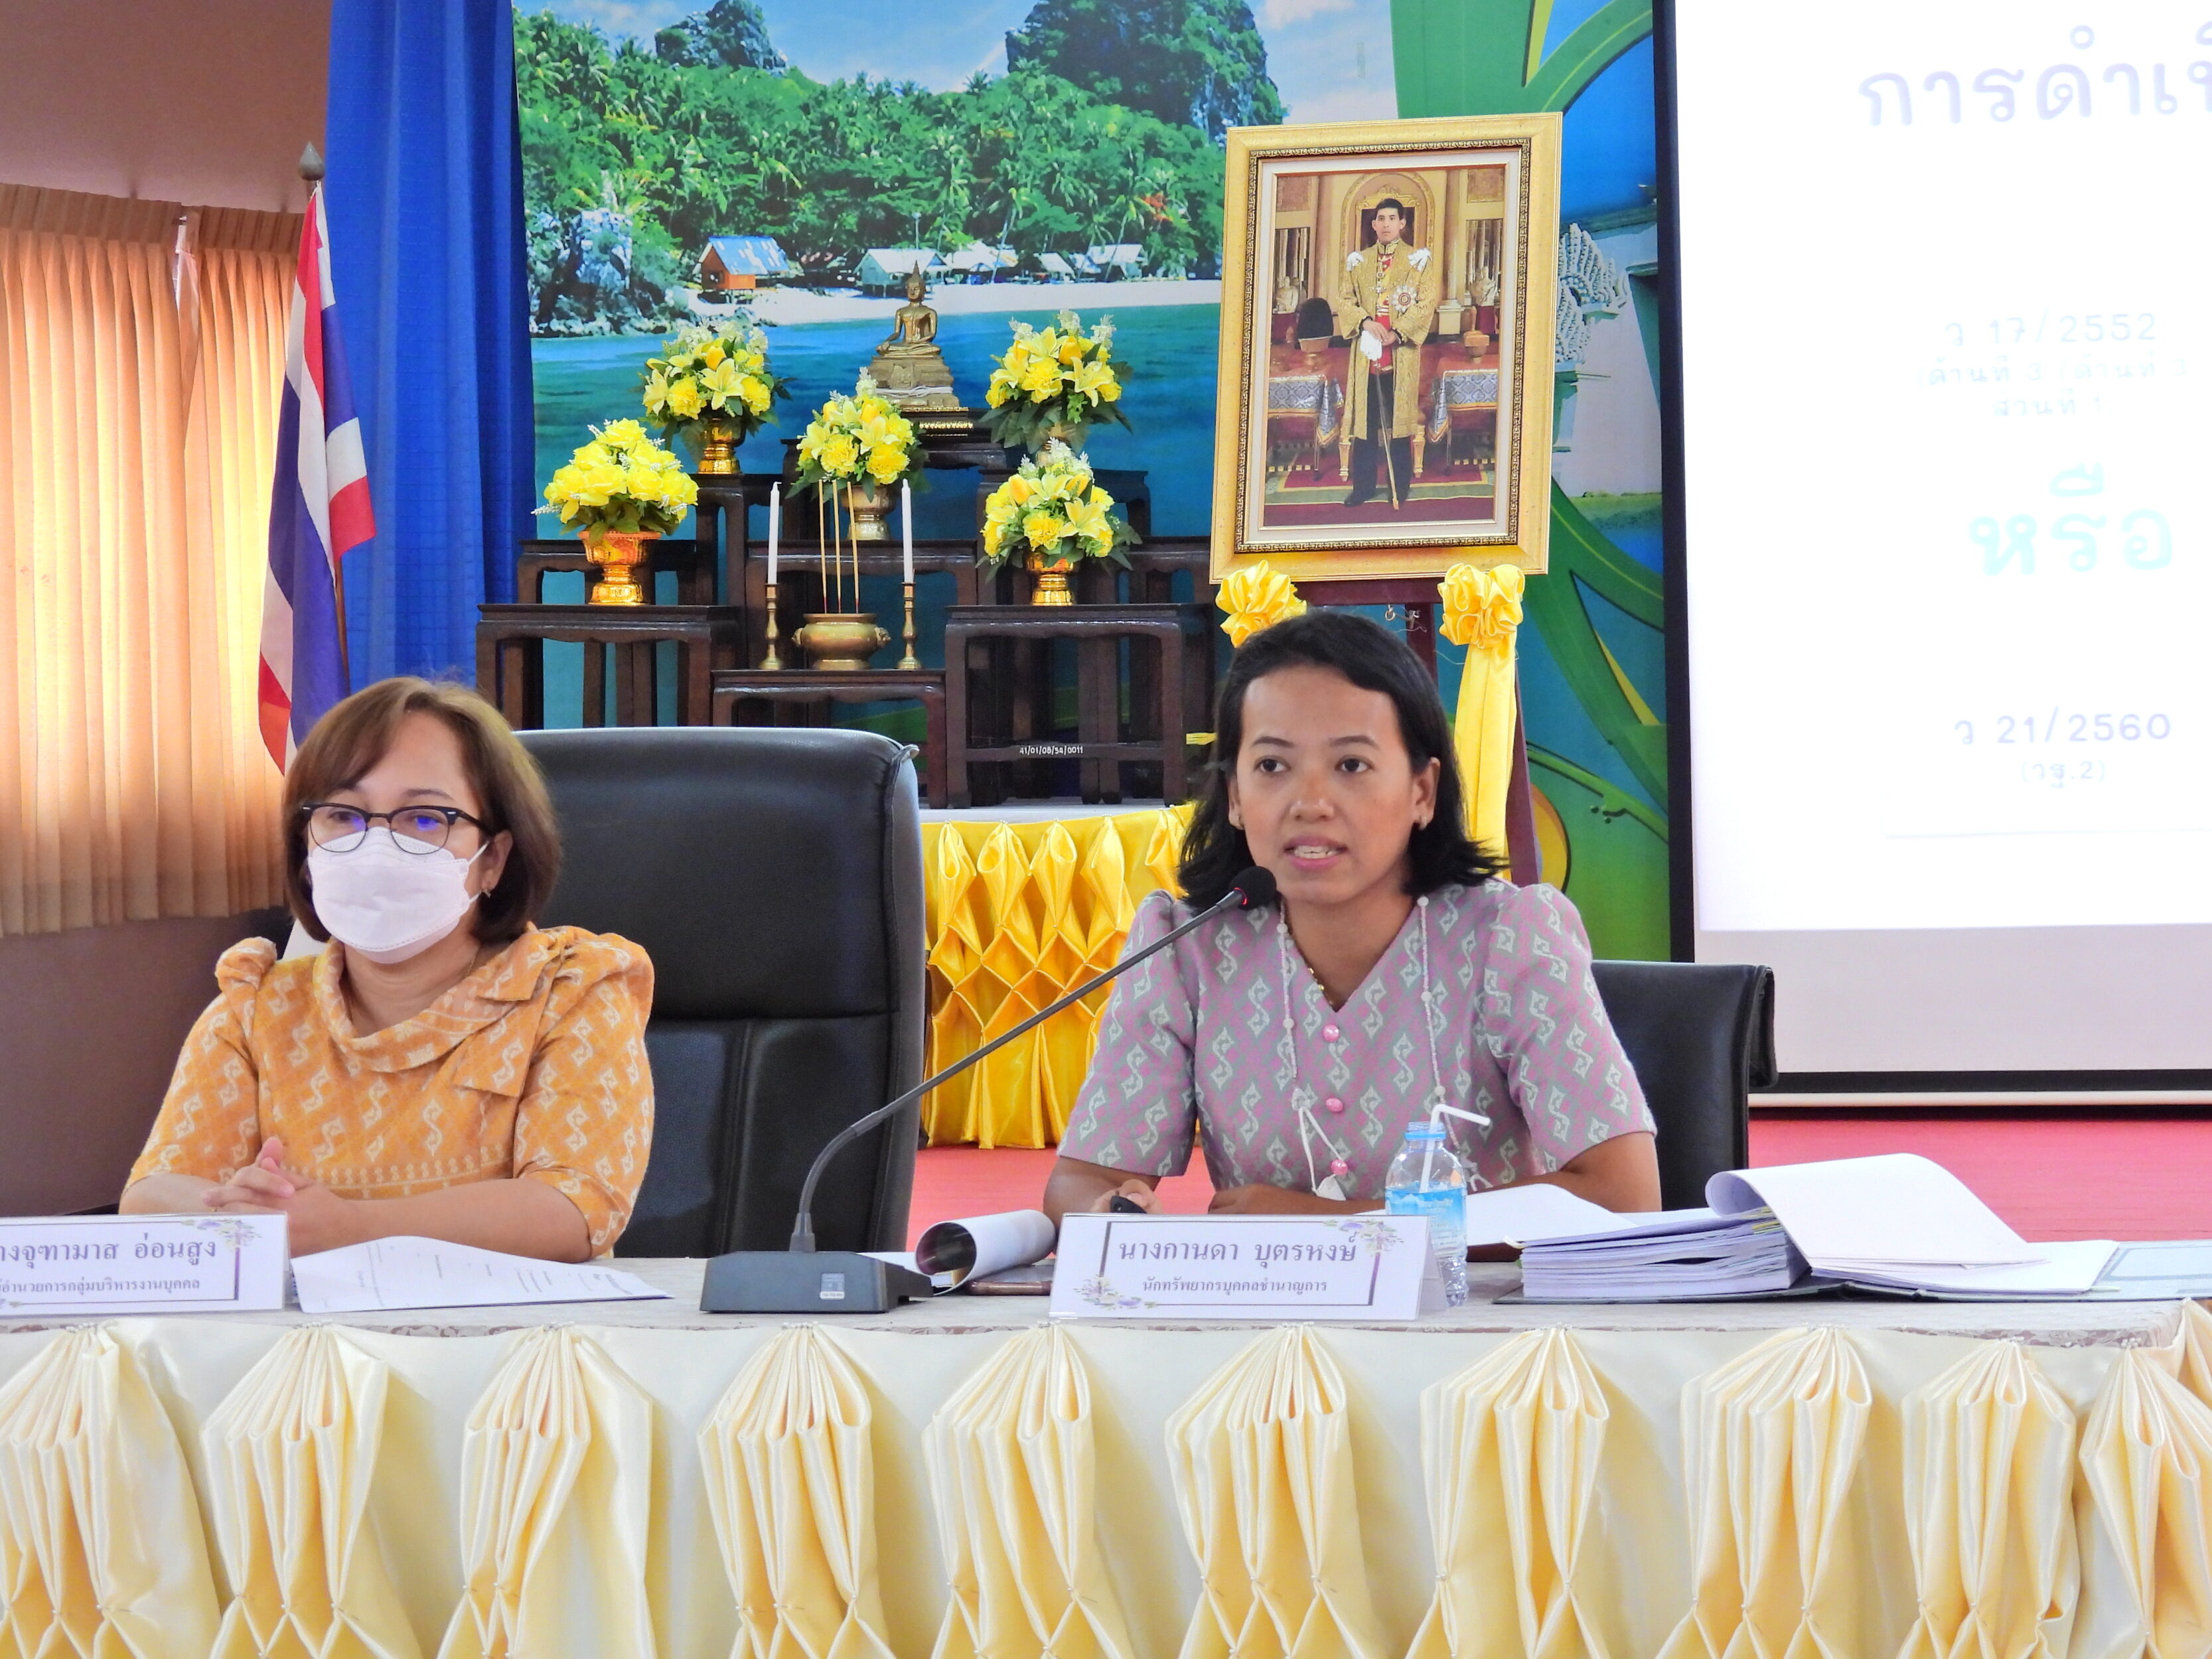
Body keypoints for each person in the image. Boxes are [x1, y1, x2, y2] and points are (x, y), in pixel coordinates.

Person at [1043, 611, 1658, 1222]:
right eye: (1272, 766)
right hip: (1267, 1292)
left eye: (1351, 766)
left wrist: (1323, 1222)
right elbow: (1082, 1182)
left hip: (1469, 1289)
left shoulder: (1509, 937)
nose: (1310, 804)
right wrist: (1112, 1211)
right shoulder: (1187, 949)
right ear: (1234, 797)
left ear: (1421, 792)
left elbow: (1622, 1194)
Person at [120, 679, 654, 1261]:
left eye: (423, 819)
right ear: (306, 850)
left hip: (511, 1318)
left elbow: (575, 1210)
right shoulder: (256, 1008)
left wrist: (352, 1227)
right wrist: (251, 1215)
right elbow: (152, 1194)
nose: (376, 847)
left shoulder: (571, 991)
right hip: (303, 1318)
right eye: (343, 816)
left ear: (493, 860)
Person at [1336, 198, 1440, 510]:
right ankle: (1363, 487)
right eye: (1380, 218)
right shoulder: (1358, 261)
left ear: (1402, 223)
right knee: (1365, 424)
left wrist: (1397, 333)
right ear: (1373, 224)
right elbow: (1345, 300)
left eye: (1392, 218)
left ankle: (1399, 485)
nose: (1385, 224)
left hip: (1399, 353)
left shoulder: (1417, 261)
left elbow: (1426, 303)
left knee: (1399, 422)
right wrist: (1365, 323)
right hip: (1366, 353)